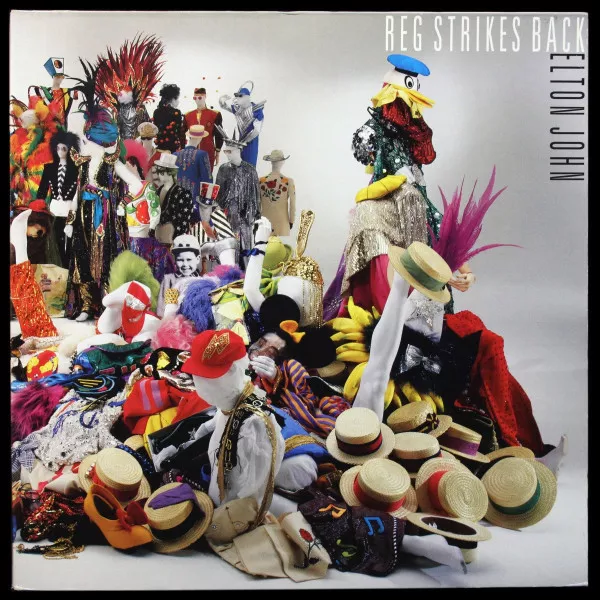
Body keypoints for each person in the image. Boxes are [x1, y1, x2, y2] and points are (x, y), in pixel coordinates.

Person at [63, 58, 143, 322]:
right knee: (82, 257)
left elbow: (137, 184)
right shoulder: (83, 162)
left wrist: (123, 202)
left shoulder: (113, 162)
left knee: (106, 257)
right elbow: (77, 191)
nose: (87, 142)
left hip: (106, 215)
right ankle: (87, 304)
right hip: (84, 214)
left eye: (90, 139)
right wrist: (70, 220)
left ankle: (109, 303)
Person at [122, 139, 176, 282]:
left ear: (134, 166)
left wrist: (152, 227)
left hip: (143, 234)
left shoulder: (147, 187)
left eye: (128, 166)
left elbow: (154, 209)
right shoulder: (124, 189)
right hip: (127, 234)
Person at [214, 127, 261, 267]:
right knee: (229, 243)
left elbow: (255, 195)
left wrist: (254, 215)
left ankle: (246, 271)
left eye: (230, 151)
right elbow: (218, 194)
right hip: (228, 213)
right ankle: (229, 269)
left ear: (238, 150)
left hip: (246, 215)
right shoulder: (223, 169)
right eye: (225, 151)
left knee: (245, 244)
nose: (227, 154)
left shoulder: (250, 170)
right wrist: (219, 213)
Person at [36, 130, 80, 268]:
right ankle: (56, 269)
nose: (60, 151)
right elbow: (42, 191)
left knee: (70, 244)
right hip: (54, 209)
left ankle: (68, 270)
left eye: (64, 148)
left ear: (69, 149)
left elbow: (78, 193)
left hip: (69, 209)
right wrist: (38, 209)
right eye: (58, 148)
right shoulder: (49, 168)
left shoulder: (76, 169)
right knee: (54, 243)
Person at [218, 81, 265, 167]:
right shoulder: (238, 109)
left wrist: (245, 141)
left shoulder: (256, 109)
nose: (237, 98)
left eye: (240, 96)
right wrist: (221, 99)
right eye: (237, 95)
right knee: (238, 165)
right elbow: (224, 106)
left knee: (249, 165)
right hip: (239, 143)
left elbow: (257, 130)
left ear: (247, 97)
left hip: (251, 142)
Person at [153, 153, 196, 246]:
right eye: (158, 171)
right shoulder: (157, 191)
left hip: (173, 242)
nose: (158, 175)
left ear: (170, 172)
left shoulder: (183, 193)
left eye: (161, 172)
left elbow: (184, 221)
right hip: (156, 239)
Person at [183, 87, 224, 170]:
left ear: (205, 97)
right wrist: (182, 150)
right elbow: (181, 133)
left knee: (207, 175)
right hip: (191, 153)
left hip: (208, 151)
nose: (197, 100)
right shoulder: (188, 115)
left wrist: (217, 152)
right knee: (192, 175)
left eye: (200, 98)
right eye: (195, 98)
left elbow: (219, 135)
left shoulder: (215, 114)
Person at [153, 83, 186, 153]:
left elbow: (156, 130)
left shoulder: (156, 112)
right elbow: (180, 132)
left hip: (160, 148)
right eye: (177, 98)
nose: (178, 101)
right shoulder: (176, 112)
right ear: (173, 99)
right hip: (173, 149)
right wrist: (183, 148)